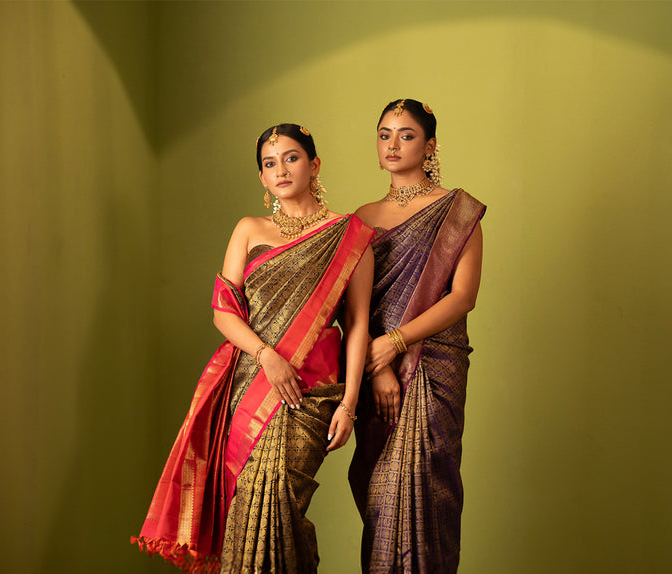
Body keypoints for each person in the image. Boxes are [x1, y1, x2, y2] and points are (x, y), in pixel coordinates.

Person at [132, 123, 375, 573]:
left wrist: (350, 403)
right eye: (269, 163)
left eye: (291, 157)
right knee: (247, 500)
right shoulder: (249, 229)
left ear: (314, 164)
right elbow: (224, 311)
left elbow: (358, 323)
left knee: (279, 496)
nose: (280, 169)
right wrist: (267, 355)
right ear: (262, 179)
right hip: (250, 384)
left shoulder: (349, 234)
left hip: (313, 390)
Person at [348, 100, 486, 573]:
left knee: (425, 483)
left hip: (432, 365)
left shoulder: (458, 211)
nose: (392, 144)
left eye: (405, 135)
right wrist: (379, 361)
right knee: (382, 496)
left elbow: (462, 296)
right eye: (384, 134)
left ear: (429, 146)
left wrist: (398, 343)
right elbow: (353, 308)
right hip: (373, 368)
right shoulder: (361, 218)